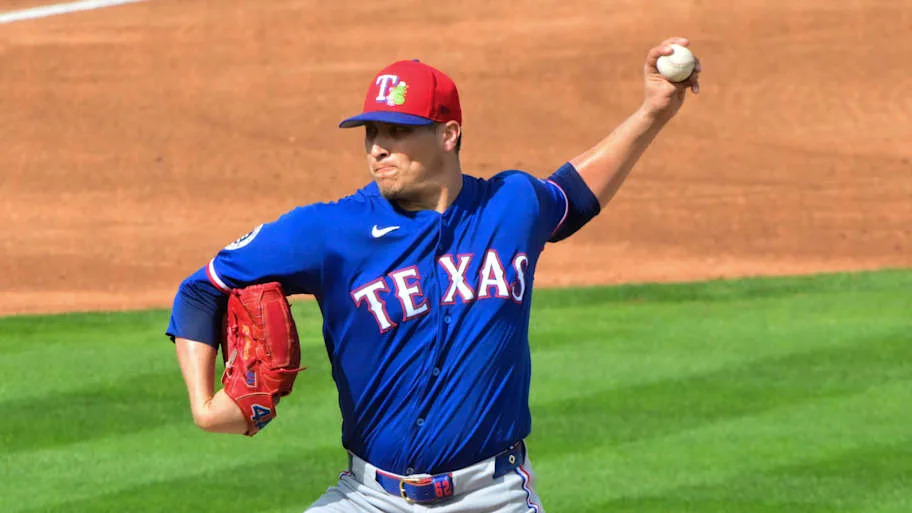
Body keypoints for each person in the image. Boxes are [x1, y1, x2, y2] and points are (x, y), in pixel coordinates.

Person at [167, 37, 700, 512]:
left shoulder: (510, 206)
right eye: (372, 131)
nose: (378, 147)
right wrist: (204, 405)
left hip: (495, 496)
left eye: (398, 132)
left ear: (448, 134)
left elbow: (574, 195)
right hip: (371, 498)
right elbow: (202, 288)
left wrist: (654, 110)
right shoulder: (329, 231)